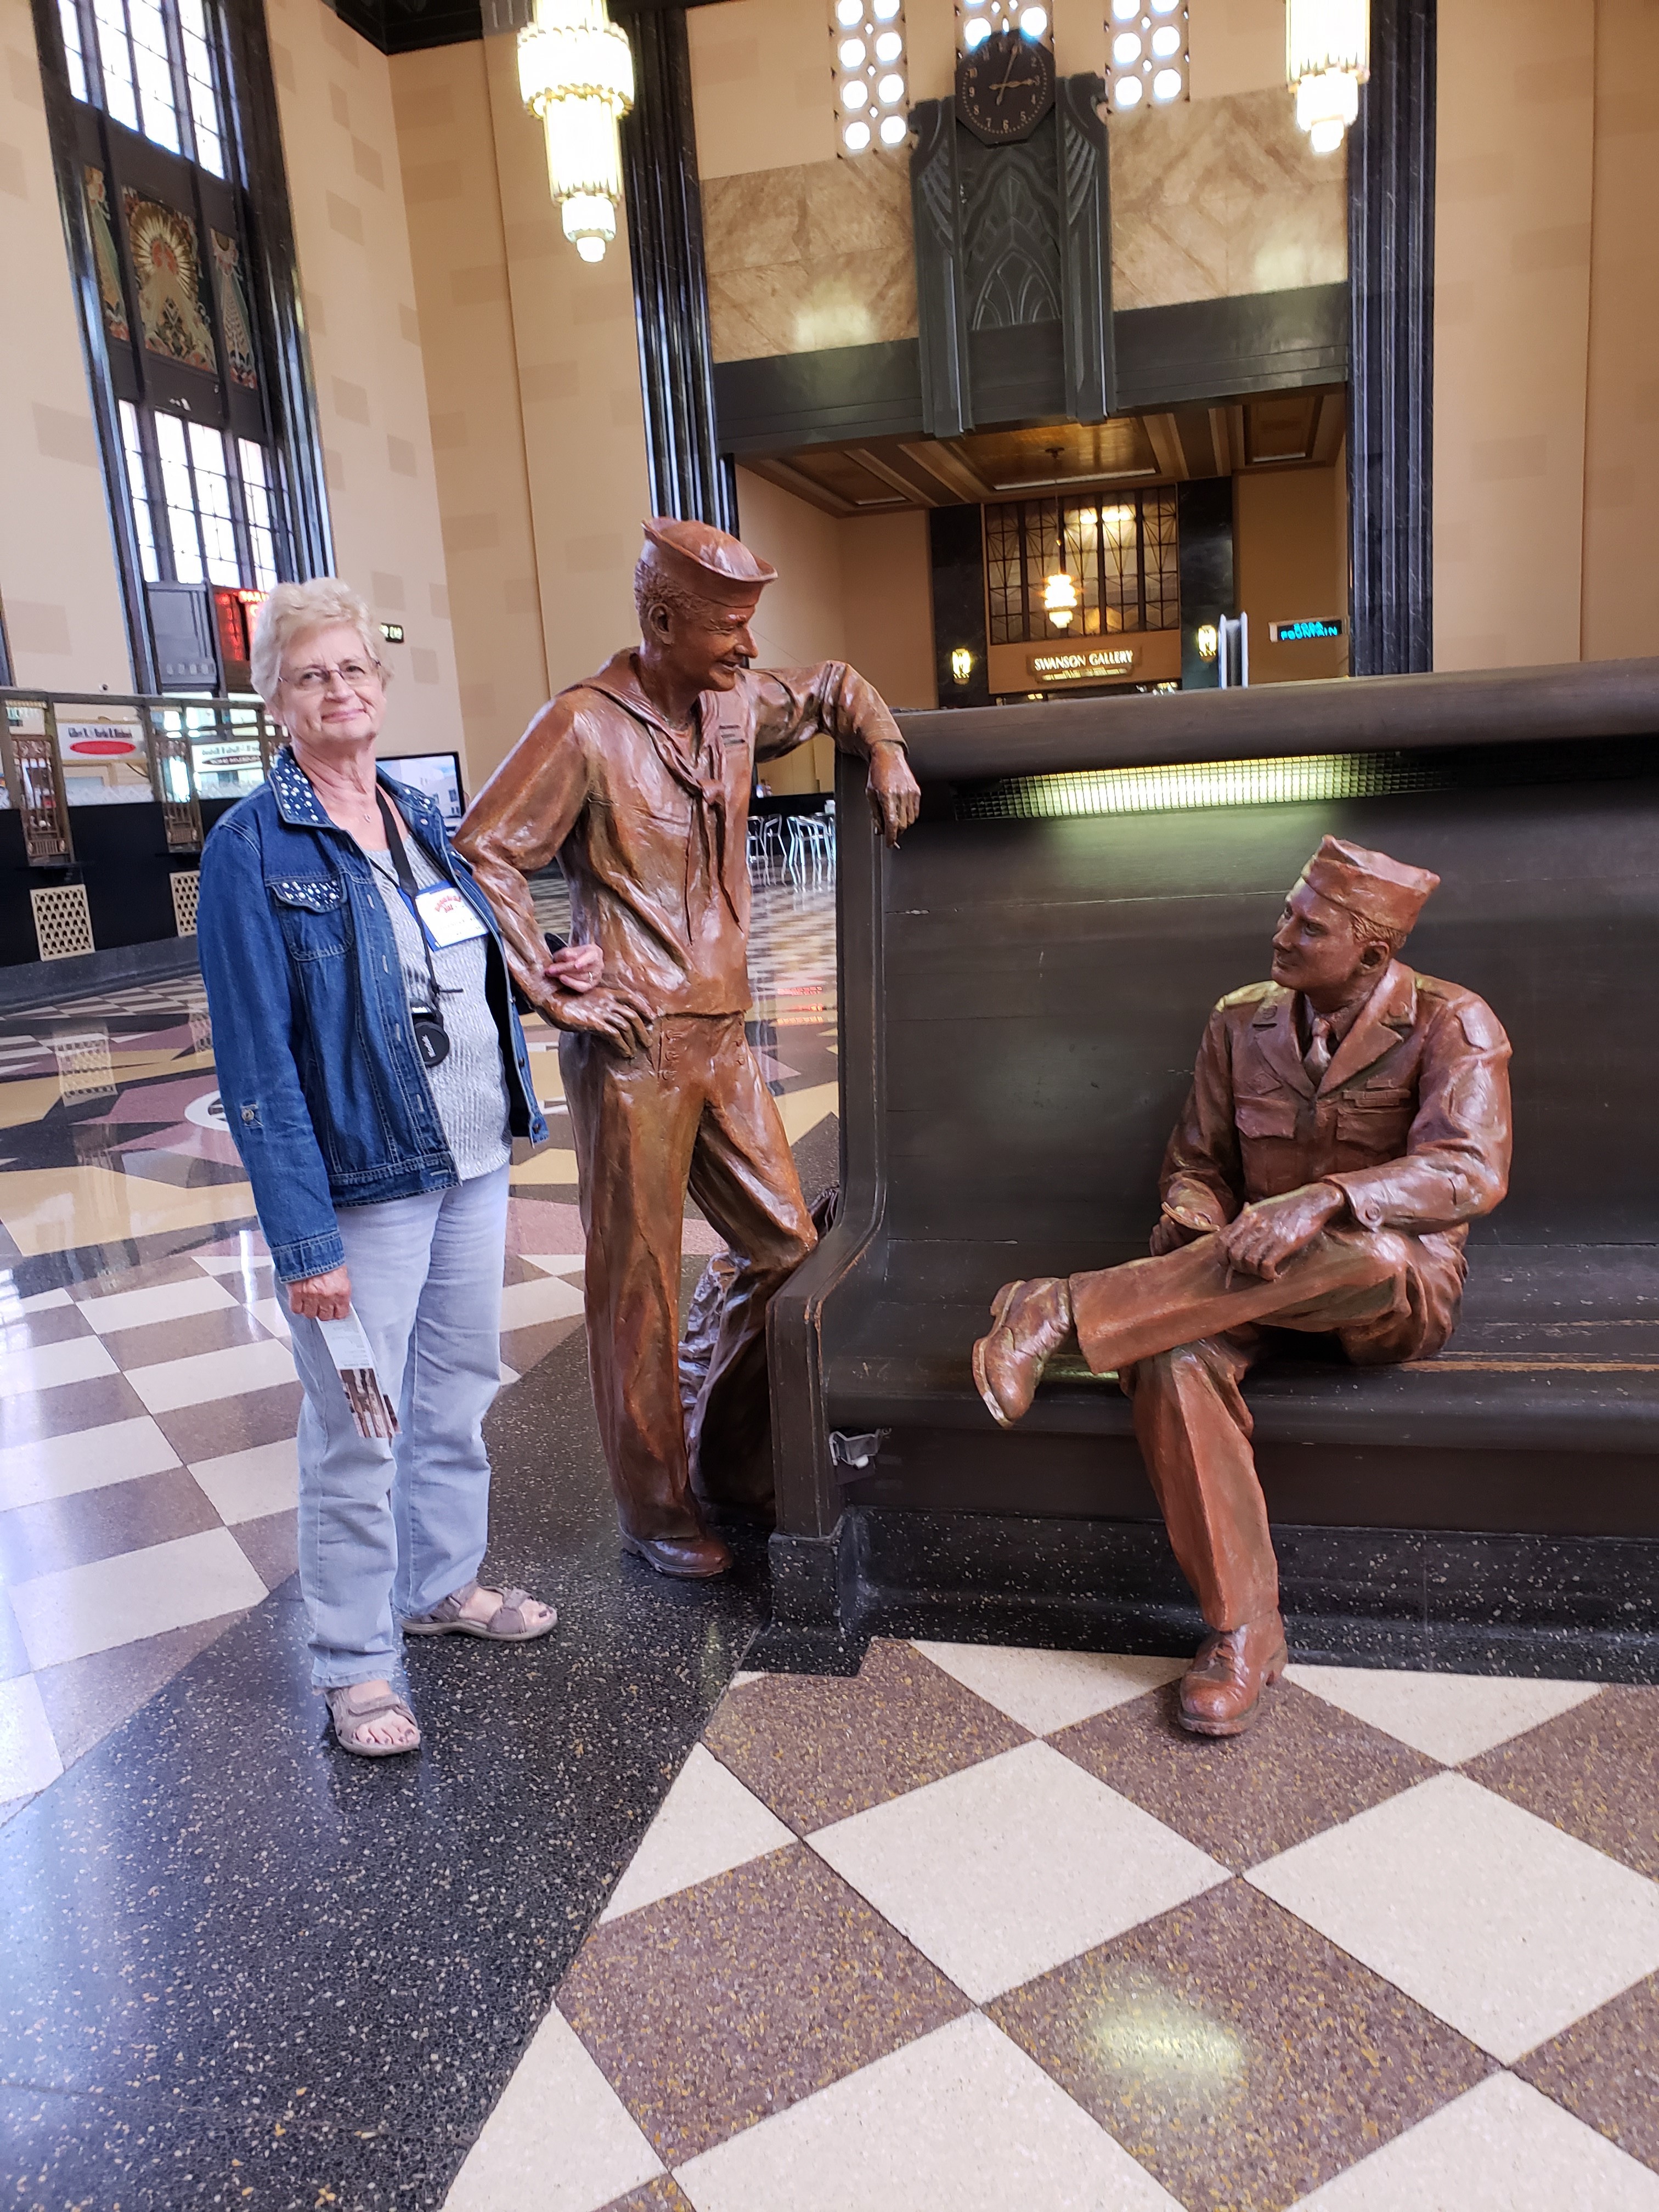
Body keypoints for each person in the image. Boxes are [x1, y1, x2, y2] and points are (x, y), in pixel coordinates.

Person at [456, 518, 921, 1578]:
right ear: (662, 621)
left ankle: (733, 1456)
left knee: (788, 1250)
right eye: (728, 629)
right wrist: (549, 979)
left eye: (752, 627)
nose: (749, 649)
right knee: (640, 1288)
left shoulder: (734, 705)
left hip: (720, 1036)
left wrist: (887, 745)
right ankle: (657, 1508)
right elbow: (484, 850)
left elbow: (834, 686)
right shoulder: (583, 725)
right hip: (635, 1049)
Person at [972, 838, 1513, 1736]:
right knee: (1167, 1354)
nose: (1282, 934)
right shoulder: (1239, 1022)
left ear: (1372, 953)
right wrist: (1194, 1216)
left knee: (1373, 1255)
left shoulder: (1453, 1022)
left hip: (1385, 1292)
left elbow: (1471, 1171)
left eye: (1310, 926)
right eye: (1287, 913)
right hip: (1236, 1280)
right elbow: (1198, 1166)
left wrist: (1327, 1198)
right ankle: (1244, 1632)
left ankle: (1062, 1304)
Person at [198, 579, 600, 1757]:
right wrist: (305, 1244)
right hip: (362, 1191)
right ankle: (354, 1664)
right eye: (311, 675)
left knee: (456, 1393)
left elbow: (455, 962)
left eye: (353, 670)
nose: (339, 690)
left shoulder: (420, 814)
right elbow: (257, 1067)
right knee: (359, 1423)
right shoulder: (250, 848)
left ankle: (438, 1588)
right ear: (277, 701)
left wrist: (543, 975)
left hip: (470, 1162)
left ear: (379, 685)